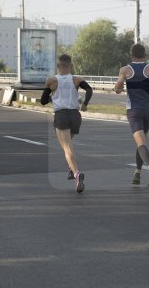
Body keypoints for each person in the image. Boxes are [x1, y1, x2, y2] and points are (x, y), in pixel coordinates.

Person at [40, 54, 93, 193]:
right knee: (69, 145)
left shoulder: (52, 80)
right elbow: (89, 89)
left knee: (67, 148)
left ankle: (76, 175)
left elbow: (43, 101)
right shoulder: (77, 79)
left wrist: (52, 97)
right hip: (75, 116)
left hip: (62, 115)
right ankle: (71, 169)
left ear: (58, 66)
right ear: (71, 66)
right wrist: (85, 104)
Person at [115, 43, 149, 189]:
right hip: (148, 110)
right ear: (145, 55)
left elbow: (118, 88)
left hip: (134, 111)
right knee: (141, 142)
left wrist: (119, 87)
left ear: (131, 55)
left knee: (141, 143)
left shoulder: (125, 70)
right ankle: (137, 173)